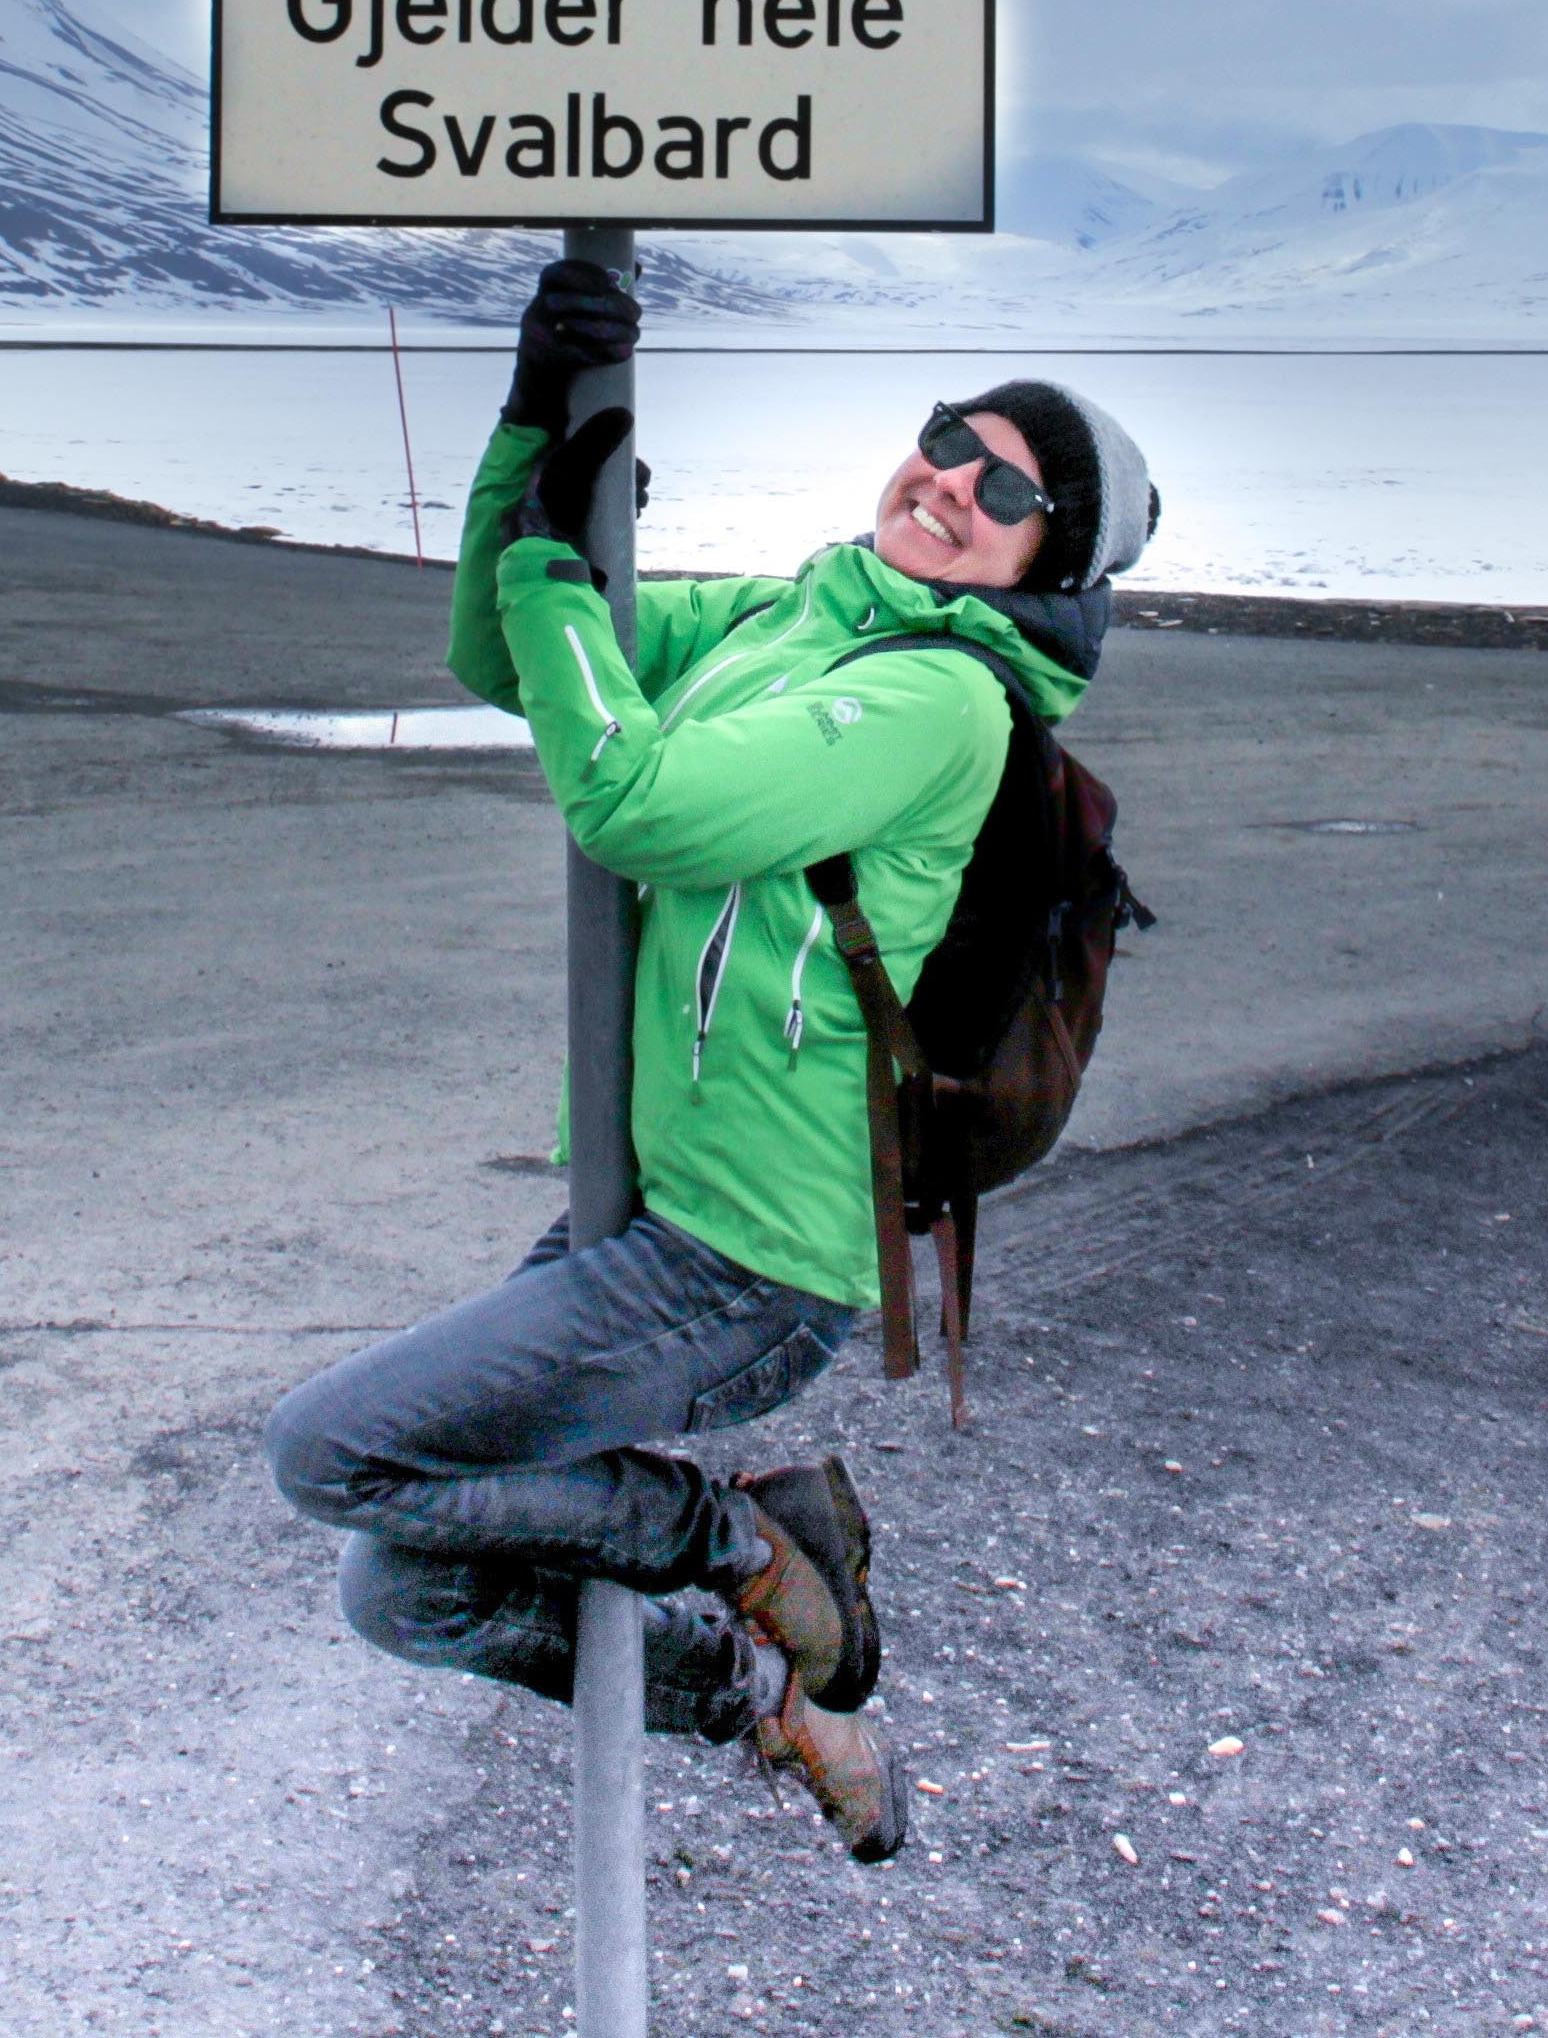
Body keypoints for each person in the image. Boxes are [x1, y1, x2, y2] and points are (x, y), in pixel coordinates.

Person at [263, 257, 1160, 1862]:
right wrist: (535, 429)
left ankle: (731, 1536)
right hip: (652, 1214)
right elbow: (503, 652)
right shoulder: (784, 617)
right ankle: (765, 1695)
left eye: (1005, 484)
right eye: (949, 435)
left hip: (748, 1263)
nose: (950, 475)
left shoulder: (940, 697)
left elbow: (638, 800)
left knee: (334, 1450)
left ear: (1046, 559)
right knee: (399, 1578)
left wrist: (558, 567)